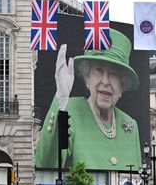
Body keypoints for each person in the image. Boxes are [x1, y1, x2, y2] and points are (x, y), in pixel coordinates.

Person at [35, 29, 142, 171]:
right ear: (87, 78)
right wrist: (60, 100)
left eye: (113, 73)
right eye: (98, 70)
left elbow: (139, 179)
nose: (105, 81)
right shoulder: (69, 109)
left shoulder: (130, 125)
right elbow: (46, 164)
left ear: (122, 86)